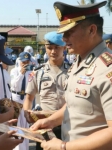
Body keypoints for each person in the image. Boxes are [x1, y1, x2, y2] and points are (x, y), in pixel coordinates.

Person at [30, 1, 112, 150]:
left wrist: (63, 146)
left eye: (69, 32)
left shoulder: (107, 69)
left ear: (92, 30)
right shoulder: (79, 63)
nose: (64, 39)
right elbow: (74, 106)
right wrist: (51, 121)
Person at [23, 31, 67, 150]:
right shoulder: (38, 72)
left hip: (67, 124)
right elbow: (29, 97)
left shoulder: (72, 71)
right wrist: (27, 115)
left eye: (57, 47)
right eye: (50, 48)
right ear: (45, 48)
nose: (53, 51)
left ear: (64, 47)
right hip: (45, 126)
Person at [10, 52, 33, 150]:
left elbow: (32, 88)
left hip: (26, 99)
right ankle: (17, 147)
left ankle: (25, 147)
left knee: (26, 124)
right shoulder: (14, 71)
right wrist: (21, 74)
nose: (25, 63)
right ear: (20, 61)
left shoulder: (31, 73)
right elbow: (13, 85)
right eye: (23, 61)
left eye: (27, 61)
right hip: (16, 97)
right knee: (17, 124)